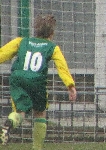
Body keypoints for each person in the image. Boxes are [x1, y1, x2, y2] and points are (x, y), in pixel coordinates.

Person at [0, 14, 77, 149]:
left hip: (18, 79)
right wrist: (70, 85)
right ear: (52, 33)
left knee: (20, 112)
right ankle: (37, 148)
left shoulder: (21, 41)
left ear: (35, 30)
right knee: (40, 113)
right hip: (37, 81)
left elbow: (3, 53)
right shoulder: (52, 47)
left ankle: (9, 123)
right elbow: (62, 67)